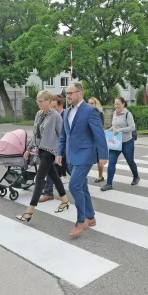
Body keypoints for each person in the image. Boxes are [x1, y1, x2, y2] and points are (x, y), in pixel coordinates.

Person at [57, 82, 108, 237]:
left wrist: (103, 155)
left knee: (74, 186)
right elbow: (63, 135)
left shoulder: (90, 111)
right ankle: (91, 217)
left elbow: (99, 134)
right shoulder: (65, 112)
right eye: (66, 94)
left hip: (85, 154)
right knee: (82, 186)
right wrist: (59, 153)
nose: (68, 96)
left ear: (79, 93)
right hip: (70, 155)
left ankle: (81, 221)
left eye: (70, 93)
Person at [16, 90, 69, 222]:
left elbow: (63, 135)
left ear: (50, 102)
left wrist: (60, 153)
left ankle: (29, 211)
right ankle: (64, 200)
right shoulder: (39, 114)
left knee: (39, 178)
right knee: (54, 177)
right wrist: (28, 148)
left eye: (41, 101)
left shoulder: (56, 116)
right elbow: (36, 134)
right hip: (40, 149)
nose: (39, 104)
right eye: (38, 101)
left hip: (50, 151)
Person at [100, 97, 140, 191]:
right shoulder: (114, 113)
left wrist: (120, 130)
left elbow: (132, 127)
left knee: (130, 161)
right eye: (115, 104)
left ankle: (136, 176)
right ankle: (109, 184)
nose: (116, 106)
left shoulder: (127, 114)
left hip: (127, 142)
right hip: (116, 142)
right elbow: (114, 127)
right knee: (112, 163)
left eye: (118, 104)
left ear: (123, 104)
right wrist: (106, 131)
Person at [39, 94, 69, 203]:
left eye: (54, 106)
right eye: (51, 106)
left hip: (63, 149)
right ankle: (48, 193)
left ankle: (81, 183)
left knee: (69, 168)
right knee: (51, 171)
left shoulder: (65, 115)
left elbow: (63, 134)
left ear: (61, 106)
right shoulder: (50, 115)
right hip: (52, 150)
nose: (52, 109)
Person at [87, 97, 105, 183]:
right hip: (89, 139)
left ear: (96, 104)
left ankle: (100, 176)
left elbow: (100, 127)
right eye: (89, 103)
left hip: (96, 139)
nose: (90, 105)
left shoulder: (99, 113)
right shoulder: (86, 113)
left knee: (98, 159)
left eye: (92, 103)